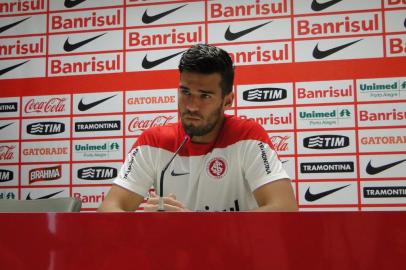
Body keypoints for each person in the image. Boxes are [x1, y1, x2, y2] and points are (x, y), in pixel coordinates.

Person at [98, 44, 297, 212]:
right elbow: (109, 208)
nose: (192, 106)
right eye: (186, 92)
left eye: (205, 96)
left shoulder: (248, 136)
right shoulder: (154, 141)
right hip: (175, 256)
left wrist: (195, 226)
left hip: (232, 254)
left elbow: (285, 207)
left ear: (227, 101)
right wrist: (148, 223)